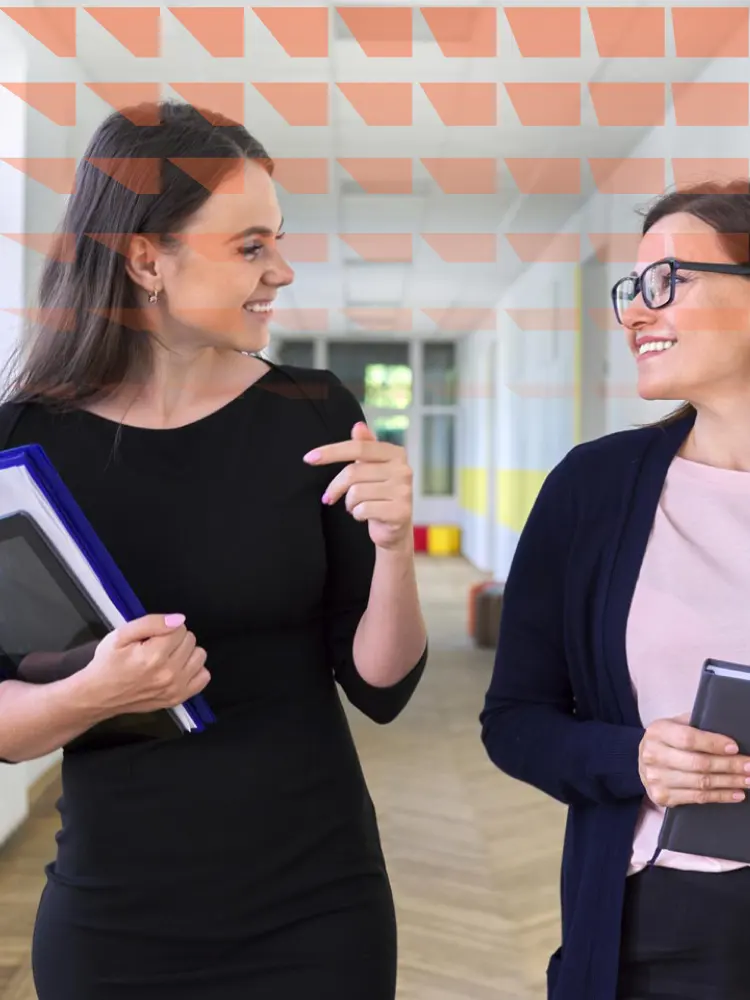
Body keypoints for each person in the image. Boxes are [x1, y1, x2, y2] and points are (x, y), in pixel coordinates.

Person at [0, 100, 428, 1000]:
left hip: (318, 907)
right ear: (145, 256)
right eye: (249, 247)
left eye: (277, 241)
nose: (281, 270)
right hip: (113, 916)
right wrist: (95, 694)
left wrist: (394, 547)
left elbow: (382, 687)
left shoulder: (311, 409)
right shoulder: (22, 447)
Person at [480, 180, 750, 1000]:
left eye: (669, 280)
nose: (636, 312)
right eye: (633, 288)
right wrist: (630, 756)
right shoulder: (593, 490)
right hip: (663, 928)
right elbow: (515, 720)